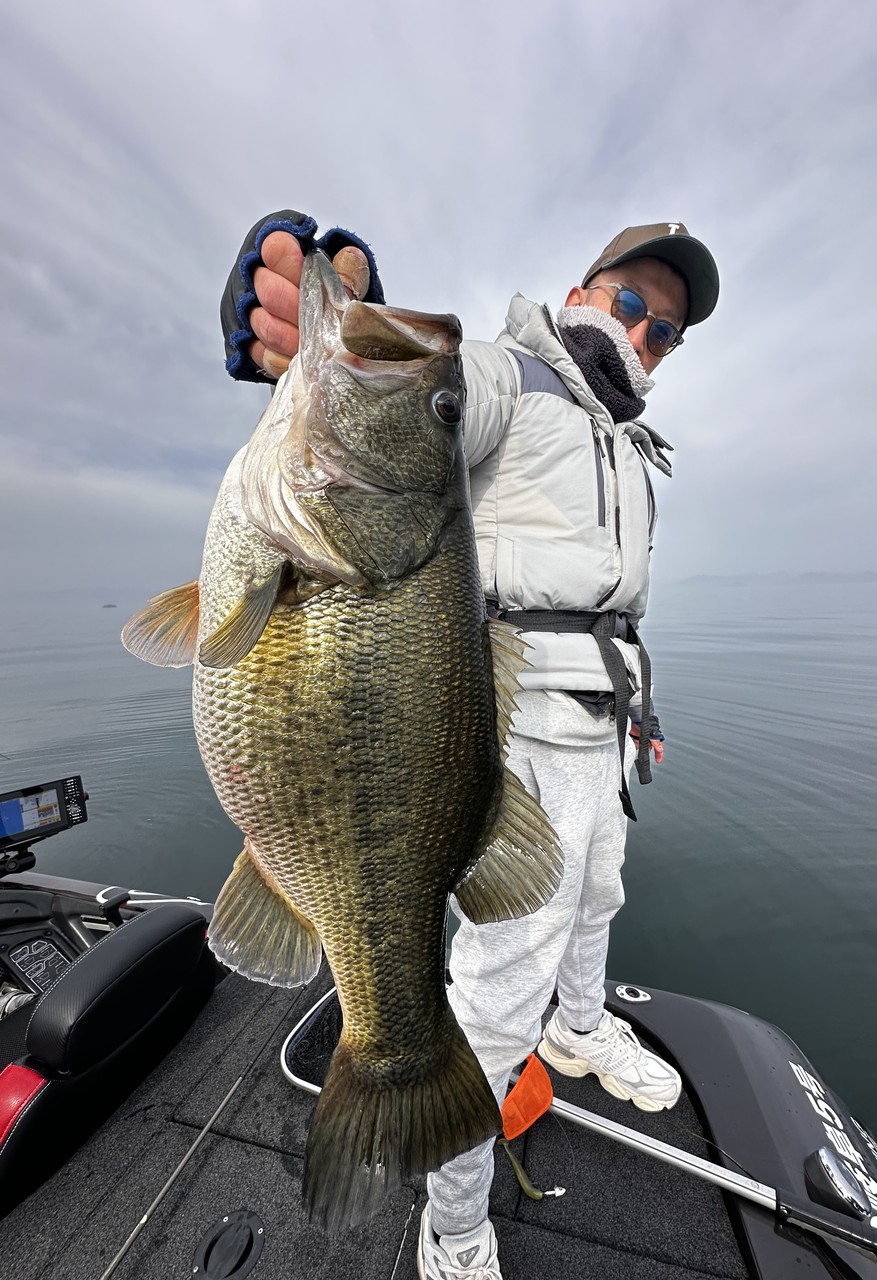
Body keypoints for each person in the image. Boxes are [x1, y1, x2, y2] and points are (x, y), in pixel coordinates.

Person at [220, 213, 720, 1280]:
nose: (645, 332)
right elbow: (417, 411)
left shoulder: (630, 447)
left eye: (668, 329)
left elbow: (609, 605)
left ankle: (578, 1030)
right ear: (581, 294)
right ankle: (452, 1223)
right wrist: (340, 317)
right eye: (632, 302)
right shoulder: (508, 376)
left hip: (606, 729)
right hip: (515, 730)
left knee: (598, 900)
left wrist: (640, 713)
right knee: (500, 988)